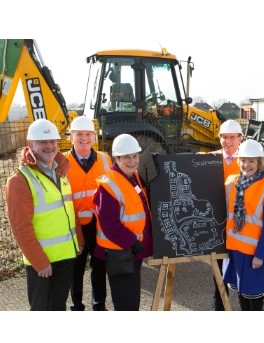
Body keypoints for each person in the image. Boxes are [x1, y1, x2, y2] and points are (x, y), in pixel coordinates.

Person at [5, 119, 84, 311]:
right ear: (31, 144)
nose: (49, 146)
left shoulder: (61, 173)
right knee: (41, 310)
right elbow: (20, 227)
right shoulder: (20, 180)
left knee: (57, 307)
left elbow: (70, 210)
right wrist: (40, 262)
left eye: (52, 142)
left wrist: (79, 242)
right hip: (42, 263)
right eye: (43, 142)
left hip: (65, 256)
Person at [93, 133, 153, 311]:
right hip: (120, 253)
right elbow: (109, 225)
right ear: (117, 158)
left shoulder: (132, 177)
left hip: (132, 252)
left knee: (131, 300)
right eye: (126, 157)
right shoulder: (109, 184)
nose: (132, 161)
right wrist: (132, 243)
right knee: (126, 303)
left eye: (135, 156)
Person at [223, 139, 264, 311]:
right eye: (243, 160)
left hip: (253, 253)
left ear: (260, 163)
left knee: (253, 295)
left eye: (252, 161)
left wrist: (260, 255)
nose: (246, 165)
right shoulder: (231, 182)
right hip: (234, 249)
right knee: (240, 291)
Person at [64, 116, 112, 311]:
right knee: (76, 267)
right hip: (74, 224)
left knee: (99, 265)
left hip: (98, 223)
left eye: (88, 134)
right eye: (79, 134)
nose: (84, 138)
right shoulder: (62, 161)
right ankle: (77, 306)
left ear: (94, 136)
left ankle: (99, 305)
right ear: (71, 137)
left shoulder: (104, 159)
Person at [199, 119, 243, 310]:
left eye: (232, 137)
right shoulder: (210, 159)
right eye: (224, 138)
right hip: (216, 222)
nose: (228, 142)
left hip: (241, 225)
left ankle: (249, 300)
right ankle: (219, 303)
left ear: (240, 138)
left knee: (242, 264)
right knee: (218, 266)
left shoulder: (248, 161)